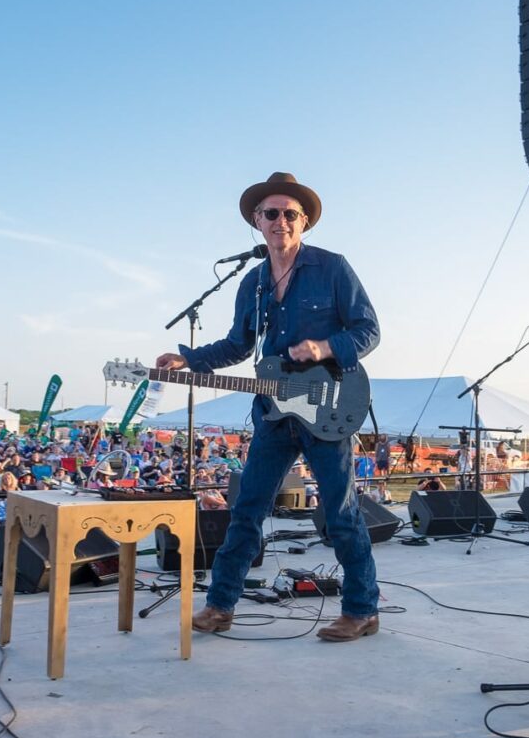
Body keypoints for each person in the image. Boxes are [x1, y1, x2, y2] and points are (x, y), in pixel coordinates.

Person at [156, 172, 381, 642]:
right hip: (274, 414)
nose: (281, 220)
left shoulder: (333, 267)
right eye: (271, 213)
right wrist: (189, 359)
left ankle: (361, 610)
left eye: (290, 214)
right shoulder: (254, 282)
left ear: (304, 222)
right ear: (257, 221)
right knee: (246, 511)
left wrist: (323, 348)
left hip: (328, 408)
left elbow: (368, 331)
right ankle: (220, 606)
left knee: (340, 513)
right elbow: (237, 345)